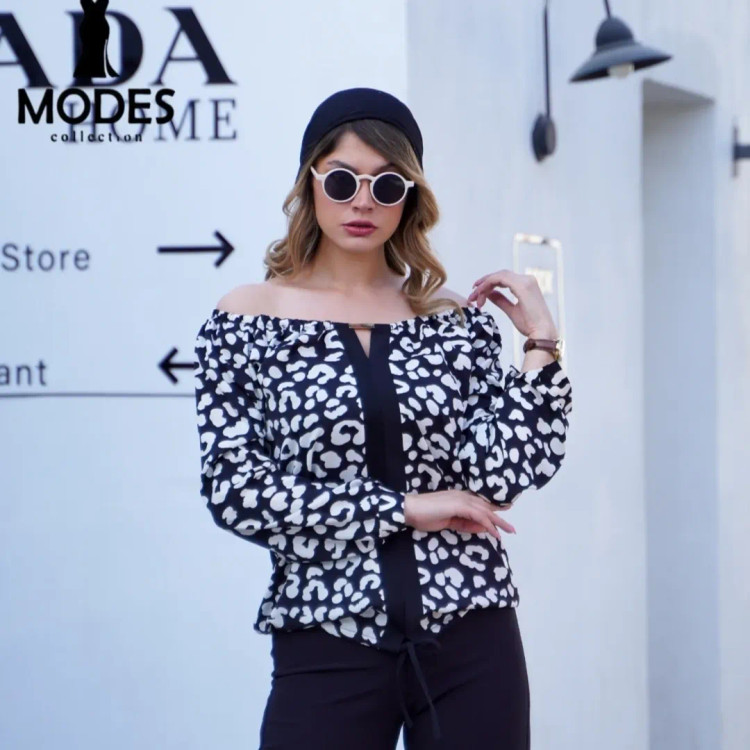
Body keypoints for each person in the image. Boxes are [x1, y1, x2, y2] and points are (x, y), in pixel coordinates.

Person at [193, 87, 573, 749]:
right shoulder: (248, 319)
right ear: (311, 184)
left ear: (410, 198)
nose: (363, 201)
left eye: (387, 184)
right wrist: (403, 509)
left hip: (472, 636)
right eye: (343, 181)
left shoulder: (451, 320)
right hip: (325, 636)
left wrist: (541, 345)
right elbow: (237, 493)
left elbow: (499, 478)